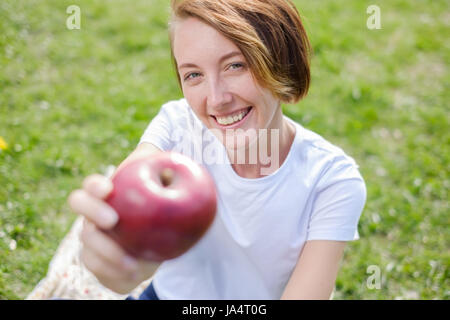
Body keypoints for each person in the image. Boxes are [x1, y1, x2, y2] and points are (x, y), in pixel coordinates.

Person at [68, 0, 367, 300]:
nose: (216, 99)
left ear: (280, 60)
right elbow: (128, 194)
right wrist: (118, 242)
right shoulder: (177, 125)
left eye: (235, 65)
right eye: (193, 75)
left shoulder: (331, 181)